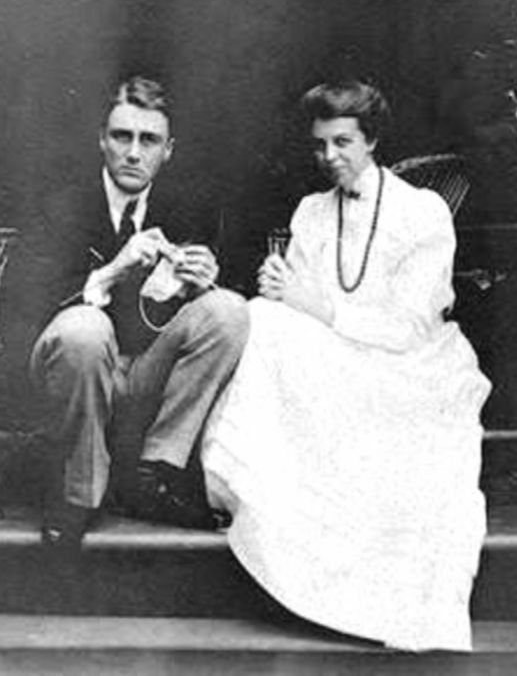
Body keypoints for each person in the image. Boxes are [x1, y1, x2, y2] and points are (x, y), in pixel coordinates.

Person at [202, 80, 491, 651]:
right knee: (261, 317)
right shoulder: (311, 211)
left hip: (406, 365)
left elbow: (408, 327)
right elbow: (296, 301)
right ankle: (243, 492)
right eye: (319, 145)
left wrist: (314, 304)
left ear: (371, 140)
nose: (329, 156)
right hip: (331, 355)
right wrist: (280, 289)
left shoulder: (421, 212)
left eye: (342, 142)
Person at [0, 76, 249, 549]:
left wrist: (203, 283)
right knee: (86, 329)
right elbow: (18, 312)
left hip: (143, 374)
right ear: (102, 140)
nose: (134, 153)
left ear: (168, 150)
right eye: (122, 137)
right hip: (72, 370)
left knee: (228, 310)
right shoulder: (59, 205)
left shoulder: (189, 208)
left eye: (148, 140)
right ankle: (79, 494)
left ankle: (157, 473)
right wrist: (113, 270)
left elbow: (204, 319)